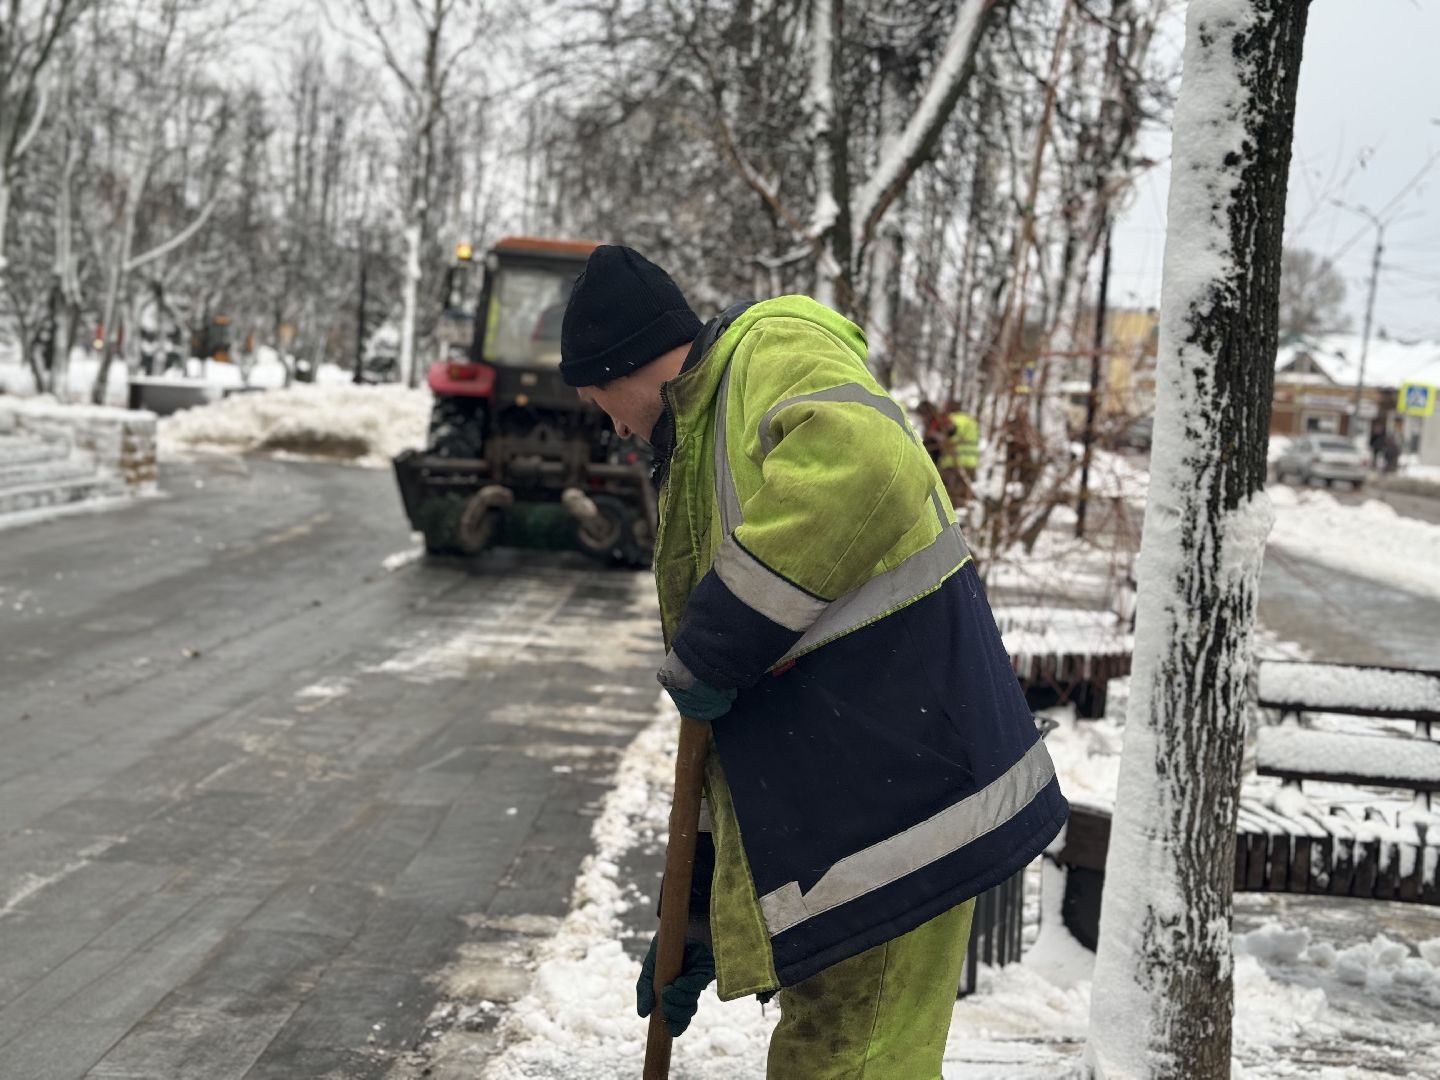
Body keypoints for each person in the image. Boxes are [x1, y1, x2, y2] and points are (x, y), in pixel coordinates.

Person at [559, 246, 1068, 1077]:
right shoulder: (701, 449)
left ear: (623, 364)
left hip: (903, 806)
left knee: (849, 1064)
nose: (610, 425)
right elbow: (724, 719)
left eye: (598, 401)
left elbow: (865, 463)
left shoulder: (770, 347)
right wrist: (695, 912)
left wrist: (717, 642)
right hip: (852, 815)